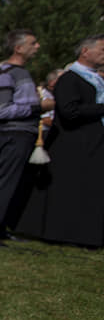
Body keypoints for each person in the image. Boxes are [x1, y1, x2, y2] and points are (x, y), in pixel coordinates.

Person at [13, 35, 104, 248]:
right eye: (101, 49)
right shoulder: (70, 79)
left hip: (94, 141)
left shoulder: (96, 78)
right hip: (76, 143)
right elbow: (69, 111)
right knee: (74, 191)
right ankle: (73, 234)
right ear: (85, 52)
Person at [0, 30, 53, 247]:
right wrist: (39, 107)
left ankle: (1, 227)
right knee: (5, 181)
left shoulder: (21, 72)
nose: (37, 46)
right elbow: (1, 110)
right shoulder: (6, 73)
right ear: (18, 48)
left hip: (24, 132)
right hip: (14, 133)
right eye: (33, 42)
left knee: (15, 182)